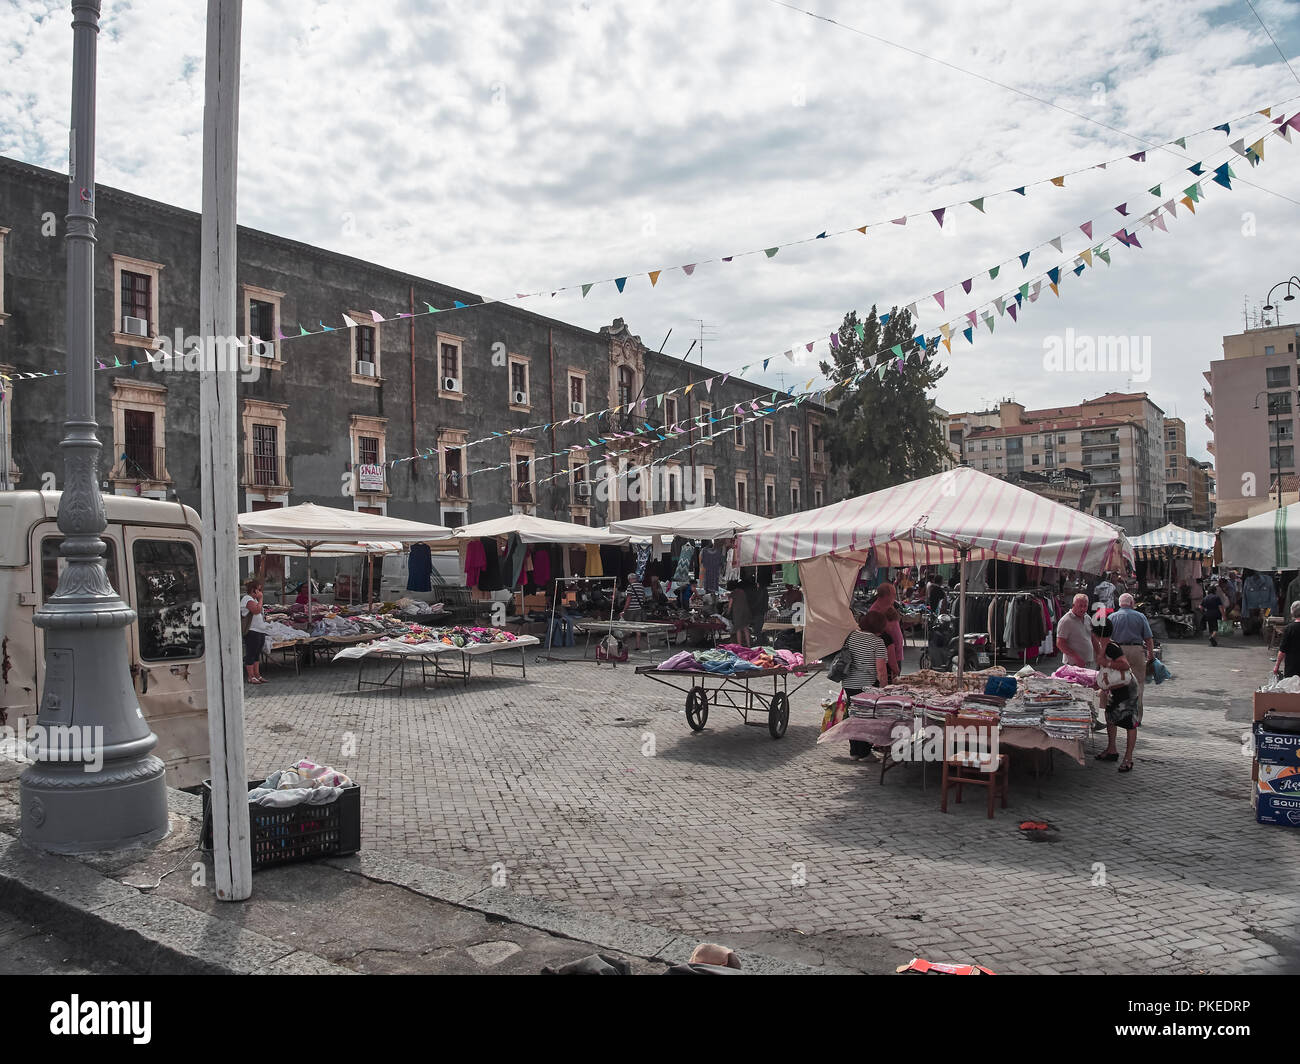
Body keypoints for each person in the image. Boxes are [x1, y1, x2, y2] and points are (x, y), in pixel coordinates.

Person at [842, 611, 890, 760]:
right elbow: (881, 670)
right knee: (866, 718)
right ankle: (864, 752)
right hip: (866, 685)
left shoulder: (852, 636)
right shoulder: (877, 642)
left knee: (854, 715)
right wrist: (885, 689)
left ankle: (854, 751)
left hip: (849, 682)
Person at [1108, 593, 1154, 719]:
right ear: (1132, 603)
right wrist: (1151, 655)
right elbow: (1148, 638)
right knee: (1138, 682)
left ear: (1119, 604)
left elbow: (1106, 639)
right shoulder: (1140, 616)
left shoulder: (1112, 617)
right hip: (1136, 650)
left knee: (1117, 681)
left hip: (1118, 651)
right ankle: (1136, 717)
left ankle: (1118, 713)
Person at [1096, 642, 1140, 772]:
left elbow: (1125, 665)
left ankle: (1128, 758)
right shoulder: (1101, 645)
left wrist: (1106, 663)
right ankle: (1111, 750)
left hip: (1126, 688)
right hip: (1115, 687)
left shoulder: (1110, 646)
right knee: (1110, 716)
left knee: (1129, 722)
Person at [869, 582, 905, 682]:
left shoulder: (889, 606)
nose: (895, 597)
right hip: (888, 657)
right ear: (886, 595)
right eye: (893, 594)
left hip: (897, 653)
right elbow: (877, 635)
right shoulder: (875, 611)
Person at [1056, 593, 1098, 668]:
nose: (1083, 609)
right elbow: (1060, 643)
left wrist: (1099, 653)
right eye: (1080, 606)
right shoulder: (1066, 621)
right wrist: (1076, 658)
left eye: (1085, 606)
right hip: (1073, 664)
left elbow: (1092, 637)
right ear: (1073, 605)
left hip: (1089, 661)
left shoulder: (1087, 618)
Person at [241, 577, 269, 685]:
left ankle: (257, 674)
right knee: (251, 653)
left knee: (257, 653)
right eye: (259, 590)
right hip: (252, 631)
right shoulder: (247, 599)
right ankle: (250, 676)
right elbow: (256, 611)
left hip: (260, 630)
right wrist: (261, 599)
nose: (260, 592)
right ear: (254, 590)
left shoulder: (254, 600)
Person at [1274, 601, 1300, 679]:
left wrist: (1277, 665)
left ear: (1292, 612)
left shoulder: (1289, 628)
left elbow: (1282, 650)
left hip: (1292, 667)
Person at [727, 578, 752, 649]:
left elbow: (730, 605)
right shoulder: (742, 591)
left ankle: (740, 645)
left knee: (738, 629)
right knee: (746, 628)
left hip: (737, 613)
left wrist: (728, 612)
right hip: (746, 611)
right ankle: (749, 645)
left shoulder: (733, 594)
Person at [1203, 582, 1223, 647]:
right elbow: (1220, 607)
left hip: (1208, 614)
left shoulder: (1205, 598)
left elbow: (1200, 607)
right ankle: (1212, 637)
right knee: (1216, 628)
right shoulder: (1217, 597)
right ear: (1214, 591)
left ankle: (1213, 641)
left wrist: (1204, 611)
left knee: (1211, 627)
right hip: (1216, 614)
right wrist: (1224, 615)